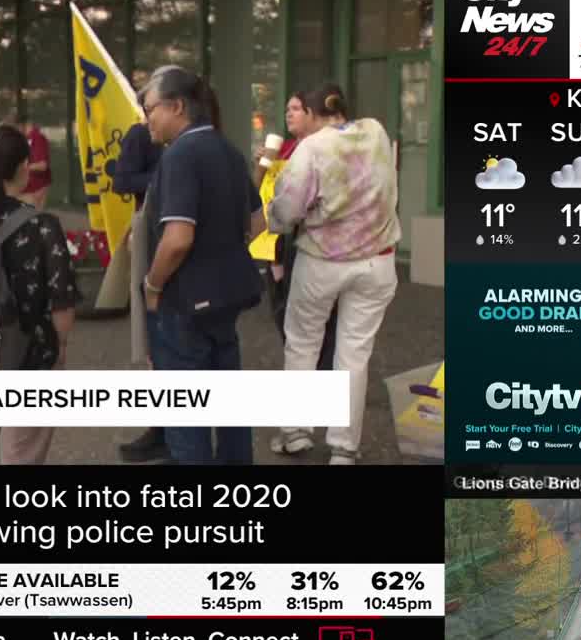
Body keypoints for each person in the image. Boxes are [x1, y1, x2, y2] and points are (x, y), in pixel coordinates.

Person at [267, 84, 400, 465]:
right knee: (354, 354)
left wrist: (274, 219)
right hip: (378, 260)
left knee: (303, 343)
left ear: (311, 113)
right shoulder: (375, 131)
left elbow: (289, 208)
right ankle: (344, 448)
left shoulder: (313, 148)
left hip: (323, 261)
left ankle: (295, 432)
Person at [139, 68, 266, 465]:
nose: (148, 122)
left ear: (176, 107)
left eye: (150, 111)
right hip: (228, 295)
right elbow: (258, 222)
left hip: (185, 300)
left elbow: (177, 239)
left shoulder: (179, 155)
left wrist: (153, 285)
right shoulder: (228, 151)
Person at [0, 125, 82, 464]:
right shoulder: (42, 226)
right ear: (23, 168)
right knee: (21, 453)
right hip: (31, 357)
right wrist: (60, 350)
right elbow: (61, 301)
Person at [114, 68, 176, 464]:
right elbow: (122, 180)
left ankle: (174, 432)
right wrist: (168, 176)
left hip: (180, 246)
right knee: (155, 343)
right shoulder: (142, 137)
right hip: (153, 239)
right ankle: (161, 431)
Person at [254, 92, 339, 376]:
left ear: (312, 114)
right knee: (282, 307)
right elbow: (257, 191)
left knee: (313, 316)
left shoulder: (317, 151)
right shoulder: (285, 149)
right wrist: (264, 164)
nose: (289, 114)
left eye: (296, 109)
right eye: (287, 108)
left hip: (305, 241)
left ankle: (319, 373)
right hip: (275, 243)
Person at [12, 116, 51, 209]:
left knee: (30, 217)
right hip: (27, 187)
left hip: (36, 186)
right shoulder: (25, 138)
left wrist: (20, 168)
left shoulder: (37, 137)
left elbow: (42, 165)